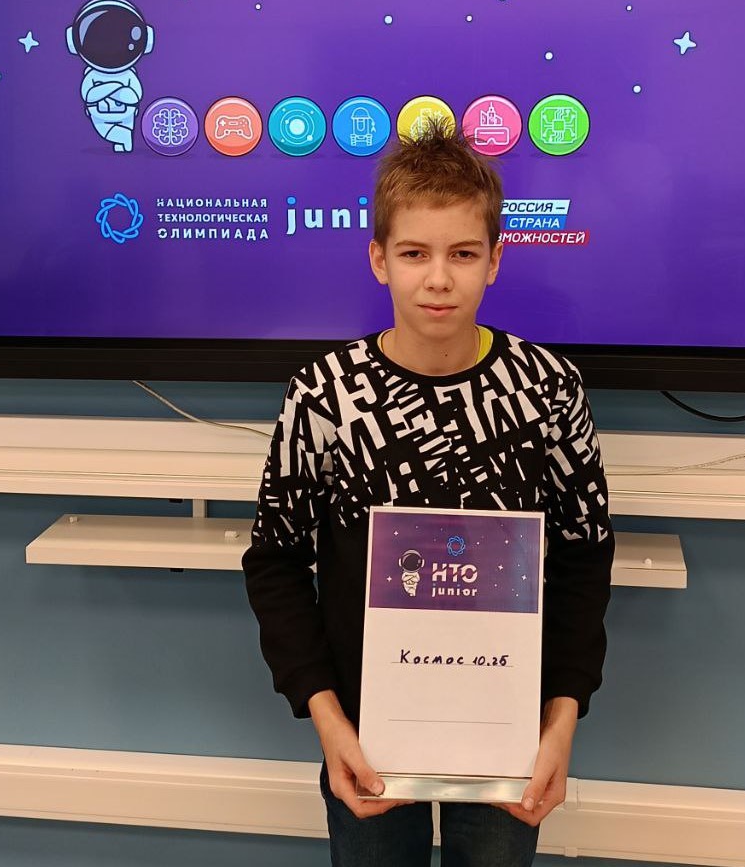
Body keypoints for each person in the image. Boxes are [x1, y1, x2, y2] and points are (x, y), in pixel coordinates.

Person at [242, 122, 614, 866]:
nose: (438, 278)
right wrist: (328, 721)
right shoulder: (326, 394)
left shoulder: (547, 389)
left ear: (495, 260)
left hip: (509, 737)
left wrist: (560, 721)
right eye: (414, 253)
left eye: (462, 254)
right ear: (378, 258)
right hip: (366, 735)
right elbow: (275, 562)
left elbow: (582, 556)